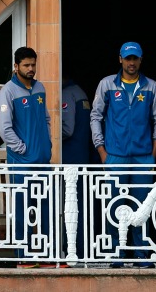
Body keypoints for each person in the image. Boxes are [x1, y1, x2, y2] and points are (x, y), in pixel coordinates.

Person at [90, 41, 156, 269]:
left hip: (143, 157)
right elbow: (95, 116)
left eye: (135, 58)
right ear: (120, 59)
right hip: (115, 155)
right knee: (116, 205)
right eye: (128, 58)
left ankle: (141, 253)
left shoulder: (151, 86)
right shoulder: (107, 84)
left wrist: (153, 152)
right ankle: (117, 253)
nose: (131, 63)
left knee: (142, 206)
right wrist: (102, 151)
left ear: (141, 60)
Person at [0, 46, 54, 268]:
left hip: (43, 160)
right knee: (23, 209)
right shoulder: (8, 91)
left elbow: (47, 118)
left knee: (46, 208)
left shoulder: (39, 87)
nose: (31, 69)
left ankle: (48, 255)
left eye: (33, 65)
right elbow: (4, 128)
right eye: (26, 65)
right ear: (16, 66)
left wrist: (46, 144)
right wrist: (22, 148)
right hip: (21, 162)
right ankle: (24, 257)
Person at [61, 76, 95, 259]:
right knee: (80, 206)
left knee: (71, 208)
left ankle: (74, 251)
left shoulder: (67, 93)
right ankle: (81, 250)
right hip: (81, 157)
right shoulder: (80, 91)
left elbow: (67, 129)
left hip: (70, 159)